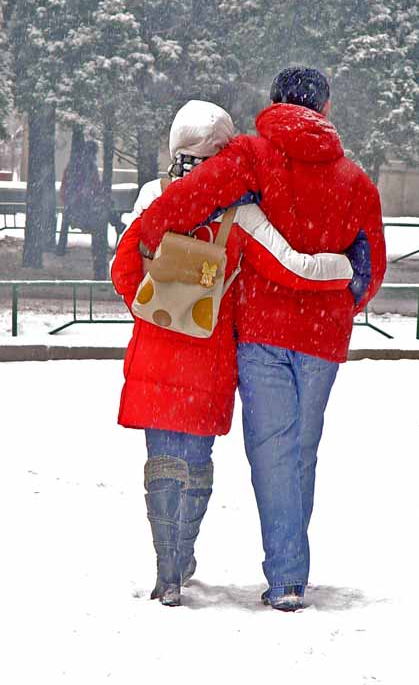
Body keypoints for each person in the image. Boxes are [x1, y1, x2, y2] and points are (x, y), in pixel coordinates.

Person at [139, 68, 387, 611]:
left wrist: (150, 236)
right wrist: (343, 301)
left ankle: (287, 579)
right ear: (324, 107)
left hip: (262, 330)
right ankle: (289, 571)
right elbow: (370, 265)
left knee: (273, 450)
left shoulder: (252, 156)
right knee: (302, 451)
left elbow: (193, 197)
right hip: (323, 338)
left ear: (275, 102)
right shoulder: (356, 180)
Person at [57, 139, 125, 257]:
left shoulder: (88, 167)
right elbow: (71, 188)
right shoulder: (78, 167)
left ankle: (116, 223)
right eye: (93, 153)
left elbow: (95, 187)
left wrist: (102, 196)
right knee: (102, 209)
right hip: (77, 204)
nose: (93, 156)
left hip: (83, 202)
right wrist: (83, 195)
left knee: (105, 205)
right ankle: (117, 224)